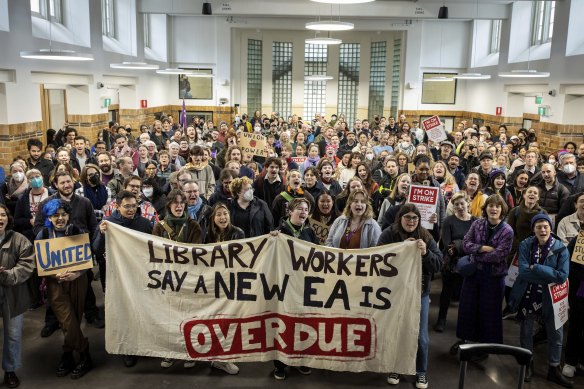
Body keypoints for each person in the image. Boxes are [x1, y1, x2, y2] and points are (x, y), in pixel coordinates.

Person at [378, 204, 442, 389]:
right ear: (400, 218)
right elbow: (378, 257)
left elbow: (438, 265)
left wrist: (426, 253)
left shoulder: (426, 237)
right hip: (394, 293)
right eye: (408, 217)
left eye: (415, 218)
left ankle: (421, 372)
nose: (411, 221)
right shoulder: (388, 234)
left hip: (419, 292)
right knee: (396, 331)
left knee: (421, 336)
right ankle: (395, 367)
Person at [508, 214, 572, 387]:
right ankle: (528, 363)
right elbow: (522, 271)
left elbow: (562, 276)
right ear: (533, 229)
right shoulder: (525, 245)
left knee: (555, 334)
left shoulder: (561, 249)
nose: (543, 230)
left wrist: (536, 267)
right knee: (526, 331)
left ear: (551, 228)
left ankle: (553, 368)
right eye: (539, 227)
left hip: (552, 297)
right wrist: (547, 274)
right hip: (528, 294)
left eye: (546, 226)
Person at [35, 199, 93, 379]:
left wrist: (77, 273)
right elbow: (38, 262)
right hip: (55, 283)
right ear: (49, 217)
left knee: (75, 316)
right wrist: (53, 275)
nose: (60, 218)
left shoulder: (77, 231)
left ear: (68, 216)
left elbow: (87, 258)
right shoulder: (43, 234)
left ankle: (67, 354)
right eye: (55, 215)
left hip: (77, 280)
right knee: (66, 319)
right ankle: (85, 354)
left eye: (63, 214)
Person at [454, 194, 514, 352]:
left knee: (489, 312)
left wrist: (476, 254)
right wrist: (481, 248)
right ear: (485, 208)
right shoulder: (477, 223)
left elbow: (499, 255)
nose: (493, 209)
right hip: (474, 274)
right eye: (490, 205)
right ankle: (465, 340)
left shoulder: (507, 231)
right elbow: (466, 244)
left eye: (497, 206)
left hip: (493, 277)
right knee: (468, 308)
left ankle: (484, 348)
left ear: (502, 209)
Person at [272, 198, 317, 380]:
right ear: (290, 211)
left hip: (304, 286)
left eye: (306, 209)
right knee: (283, 323)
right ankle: (280, 364)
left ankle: (301, 360)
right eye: (299, 208)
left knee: (303, 323)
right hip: (283, 286)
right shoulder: (279, 232)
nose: (303, 212)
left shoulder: (309, 231)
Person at [0, 204, 35, 388]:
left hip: (14, 294)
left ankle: (10, 370)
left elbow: (28, 265)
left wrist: (7, 275)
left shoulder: (19, 240)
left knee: (12, 334)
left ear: (8, 218)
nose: (0, 218)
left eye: (2, 214)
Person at [434, 192, 476, 333]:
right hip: (451, 263)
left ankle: (465, 322)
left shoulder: (475, 221)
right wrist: (464, 246)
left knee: (468, 295)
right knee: (446, 291)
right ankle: (441, 319)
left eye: (462, 203)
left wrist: (460, 246)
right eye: (456, 204)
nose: (459, 206)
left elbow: (477, 244)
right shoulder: (449, 221)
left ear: (468, 203)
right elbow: (447, 244)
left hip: (469, 263)